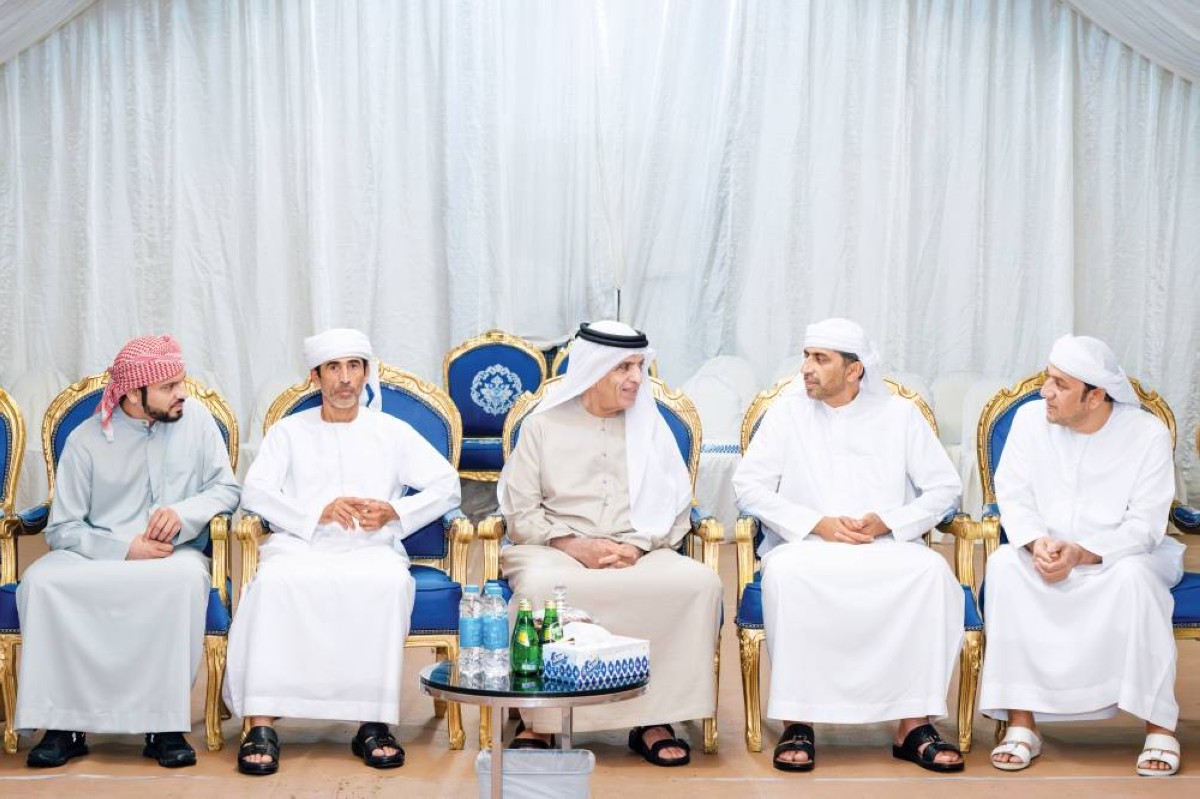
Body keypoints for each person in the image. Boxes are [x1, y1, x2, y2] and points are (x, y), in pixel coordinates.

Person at [224, 328, 461, 775]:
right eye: (333, 368)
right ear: (315, 377)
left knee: (386, 583)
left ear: (367, 373)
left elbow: (447, 485)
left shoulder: (392, 432)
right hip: (300, 546)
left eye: (354, 366)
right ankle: (261, 722)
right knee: (273, 583)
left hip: (371, 548)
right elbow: (255, 491)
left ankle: (372, 722)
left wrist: (394, 511)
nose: (345, 378)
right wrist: (316, 512)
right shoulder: (288, 432)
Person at [733, 318, 964, 773]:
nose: (806, 367)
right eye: (806, 356)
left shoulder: (900, 415)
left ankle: (913, 724)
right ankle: (798, 720)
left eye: (820, 359)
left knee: (932, 573)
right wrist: (815, 523)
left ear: (855, 370)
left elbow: (945, 488)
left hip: (885, 544)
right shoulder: (786, 412)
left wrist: (889, 522)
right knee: (790, 576)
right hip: (804, 545)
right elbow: (748, 487)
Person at [498, 320, 722, 766]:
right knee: (540, 590)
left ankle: (655, 717)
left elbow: (677, 508)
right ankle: (540, 721)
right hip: (553, 547)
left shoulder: (651, 428)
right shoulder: (543, 426)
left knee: (699, 584)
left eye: (639, 366)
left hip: (637, 547)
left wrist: (637, 546)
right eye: (623, 367)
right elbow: (520, 512)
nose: (636, 378)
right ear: (592, 369)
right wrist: (573, 545)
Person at [16, 335, 240, 768]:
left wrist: (184, 513)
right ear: (134, 393)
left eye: (181, 381)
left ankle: (164, 727)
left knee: (182, 581)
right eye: (169, 387)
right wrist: (124, 549)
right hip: (97, 551)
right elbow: (63, 527)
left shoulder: (196, 421)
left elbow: (227, 489)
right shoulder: (85, 441)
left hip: (173, 554)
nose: (182, 393)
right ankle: (62, 726)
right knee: (41, 582)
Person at [980, 334, 1182, 777]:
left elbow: (1145, 524)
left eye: (1060, 384)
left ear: (1095, 396)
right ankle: (1021, 725)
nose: (1044, 392)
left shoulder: (1146, 433)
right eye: (1048, 379)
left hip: (1119, 557)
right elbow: (1013, 495)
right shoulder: (1030, 421)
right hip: (1045, 551)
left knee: (1135, 578)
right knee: (1004, 567)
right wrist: (1036, 542)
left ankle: (1160, 727)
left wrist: (1084, 553)